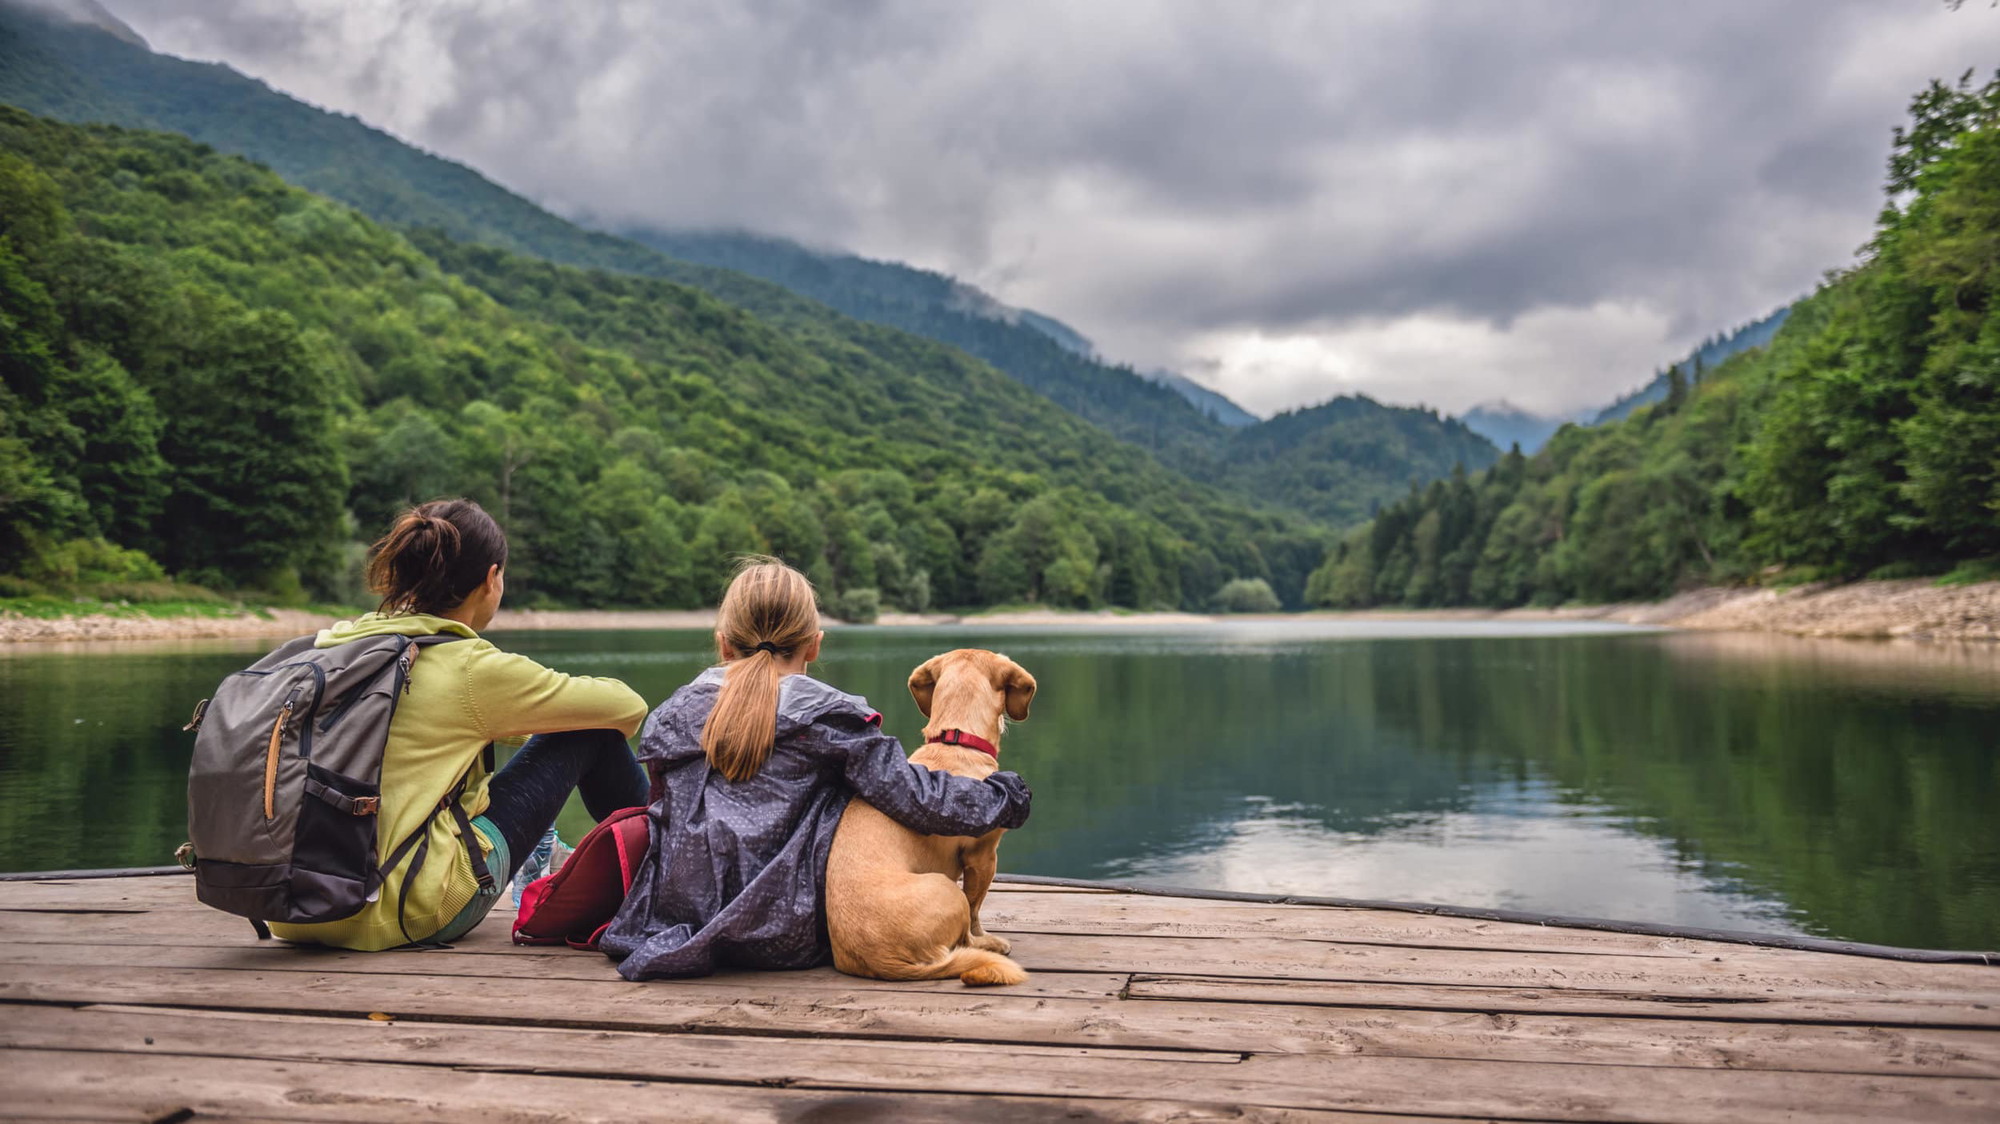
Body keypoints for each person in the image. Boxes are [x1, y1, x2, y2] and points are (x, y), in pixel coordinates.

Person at [602, 558, 1032, 980]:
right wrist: (1005, 795)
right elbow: (919, 800)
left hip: (677, 922)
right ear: (814, 644)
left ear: (724, 644)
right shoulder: (831, 724)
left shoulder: (671, 719)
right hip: (786, 935)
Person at [268, 498, 649, 950]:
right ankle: (669, 871)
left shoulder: (338, 647)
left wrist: (517, 724)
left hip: (293, 909)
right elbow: (627, 708)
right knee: (591, 728)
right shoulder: (468, 666)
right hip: (413, 908)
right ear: (491, 578)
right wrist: (550, 724)